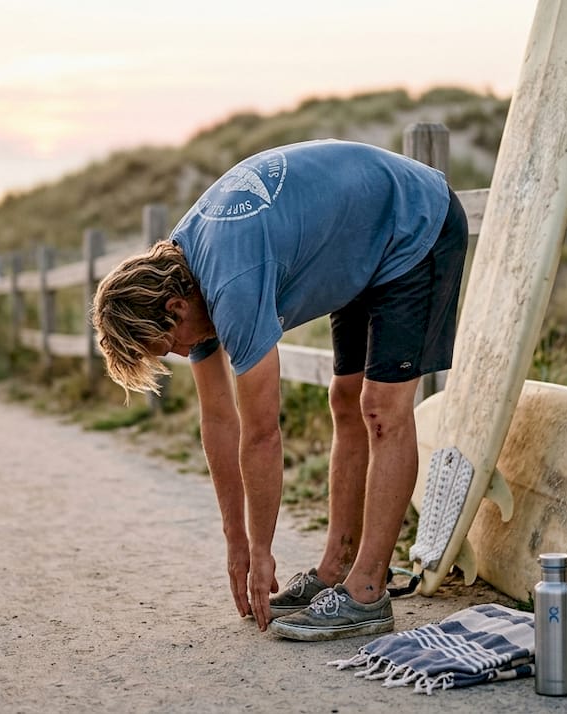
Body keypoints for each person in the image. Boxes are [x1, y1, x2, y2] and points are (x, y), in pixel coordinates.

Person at [92, 139, 468, 641]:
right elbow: (220, 422)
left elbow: (262, 434)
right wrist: (237, 542)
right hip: (362, 237)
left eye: (166, 347)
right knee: (345, 399)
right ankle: (335, 569)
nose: (178, 356)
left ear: (173, 308)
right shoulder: (191, 280)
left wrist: (263, 548)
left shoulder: (231, 284)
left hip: (416, 222)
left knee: (382, 408)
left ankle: (368, 592)